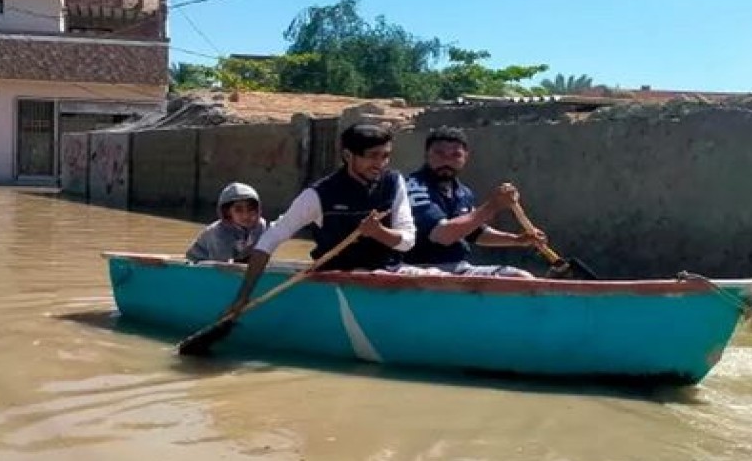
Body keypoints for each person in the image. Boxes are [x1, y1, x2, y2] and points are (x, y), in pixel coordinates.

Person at [214, 123, 417, 318]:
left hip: (389, 271)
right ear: (348, 156)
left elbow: (407, 242)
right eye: (372, 156)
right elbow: (269, 240)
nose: (380, 164)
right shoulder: (318, 195)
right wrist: (243, 296)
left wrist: (379, 232)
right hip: (342, 275)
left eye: (385, 156)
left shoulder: (394, 182)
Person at [402, 126, 545, 278]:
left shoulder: (462, 192)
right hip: (420, 268)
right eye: (440, 154)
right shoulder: (414, 187)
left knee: (520, 278)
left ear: (465, 157)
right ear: (426, 155)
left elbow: (474, 232)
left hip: (456, 267)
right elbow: (443, 235)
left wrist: (517, 240)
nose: (447, 161)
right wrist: (492, 206)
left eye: (455, 155)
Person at [185, 182, 270, 263]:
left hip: (236, 259)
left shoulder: (260, 226)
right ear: (227, 212)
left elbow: (260, 253)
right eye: (238, 210)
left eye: (251, 209)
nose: (246, 215)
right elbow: (222, 265)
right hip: (201, 262)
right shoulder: (219, 233)